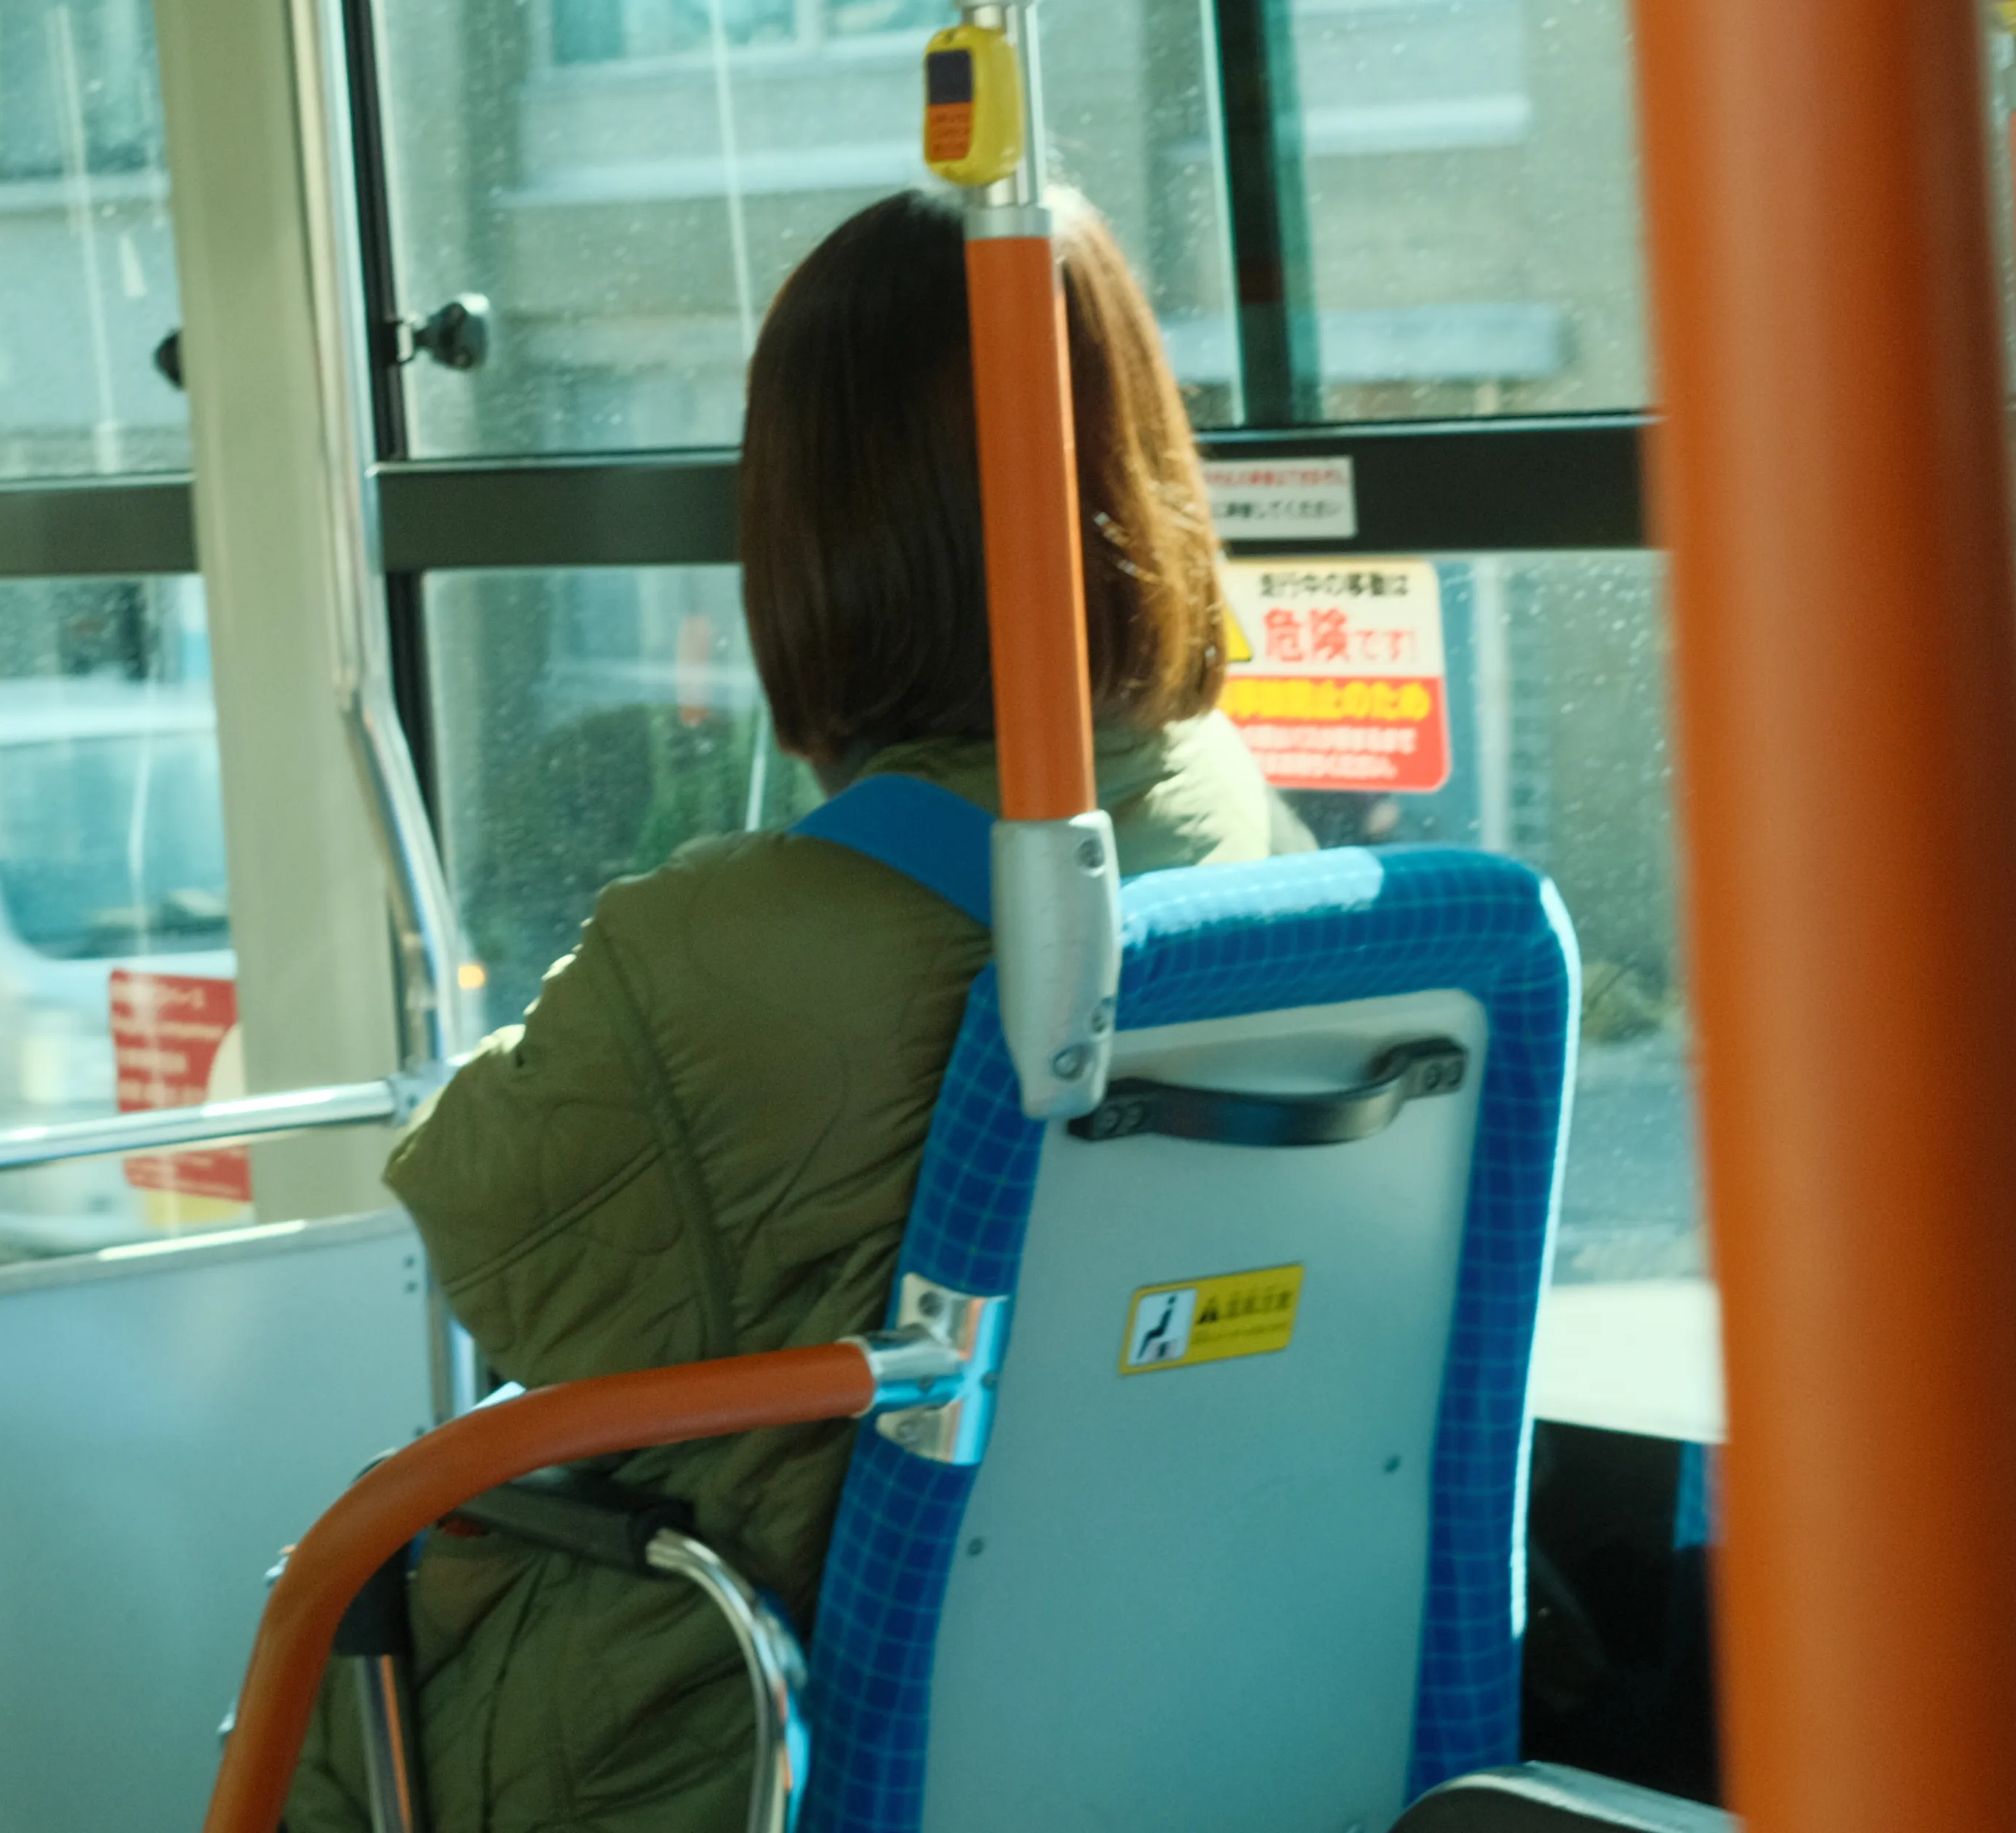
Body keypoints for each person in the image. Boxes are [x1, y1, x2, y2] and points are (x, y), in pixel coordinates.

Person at [294, 187, 1297, 1833]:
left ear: (820, 538)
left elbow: (478, 1224)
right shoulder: (1276, 858)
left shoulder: (716, 958)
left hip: (762, 1733)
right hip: (1190, 1697)